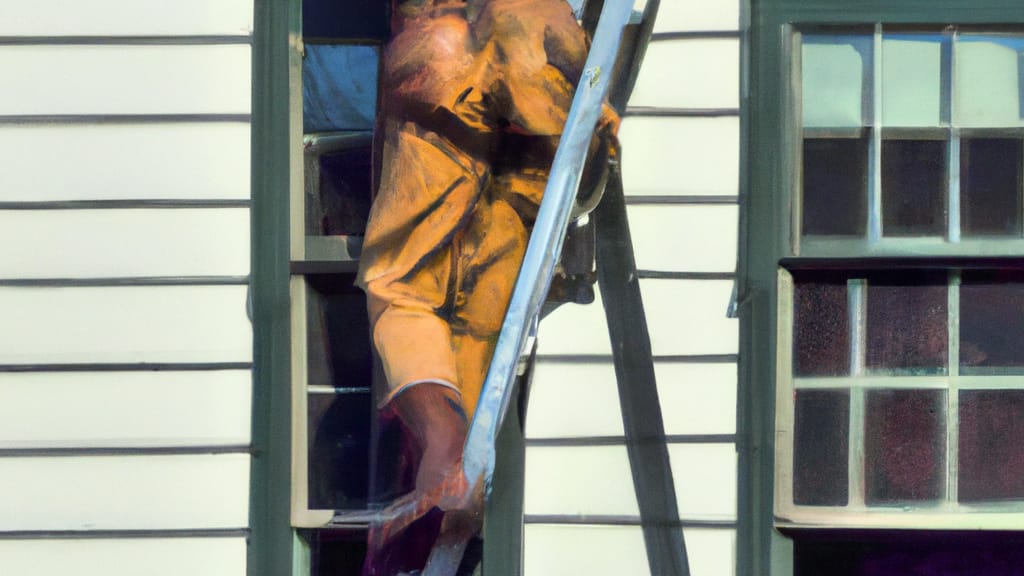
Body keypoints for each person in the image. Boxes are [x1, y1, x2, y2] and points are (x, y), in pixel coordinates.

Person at [356, 0, 618, 572]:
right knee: (481, 303)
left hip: (450, 50)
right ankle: (454, 486)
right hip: (549, 83)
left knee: (404, 284)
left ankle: (446, 455)